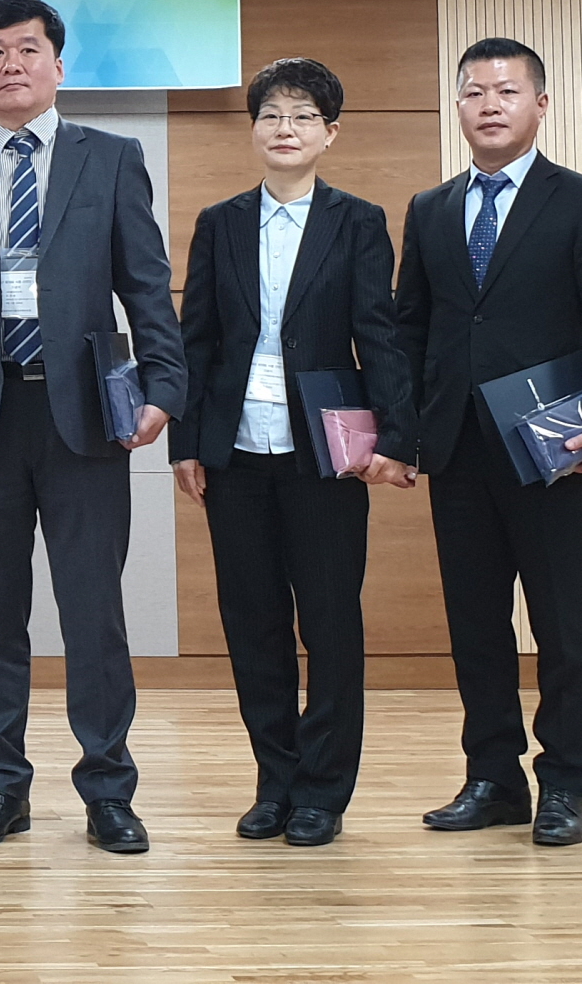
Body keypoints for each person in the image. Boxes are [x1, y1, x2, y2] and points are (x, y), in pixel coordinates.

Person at [0, 0, 186, 856]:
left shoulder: (112, 158)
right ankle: (0, 788)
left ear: (58, 67)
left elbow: (146, 282)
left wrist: (164, 386)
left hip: (86, 416)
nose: (11, 64)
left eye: (27, 49)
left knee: (94, 613)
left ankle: (108, 790)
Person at [396, 37, 582, 849]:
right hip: (457, 447)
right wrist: (403, 432)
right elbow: (412, 328)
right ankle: (493, 778)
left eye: (506, 91)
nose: (489, 105)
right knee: (476, 624)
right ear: (458, 108)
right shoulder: (431, 209)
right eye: (474, 92)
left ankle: (566, 783)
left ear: (540, 104)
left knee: (560, 623)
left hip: (555, 445)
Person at [170, 58, 414, 849]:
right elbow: (196, 338)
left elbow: (379, 334)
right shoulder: (220, 223)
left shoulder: (359, 221)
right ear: (253, 130)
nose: (286, 128)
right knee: (254, 624)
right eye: (272, 114)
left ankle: (322, 791)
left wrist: (395, 439)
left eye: (304, 116)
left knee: (331, 622)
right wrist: (186, 441)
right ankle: (275, 782)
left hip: (326, 453)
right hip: (235, 450)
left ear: (330, 134)